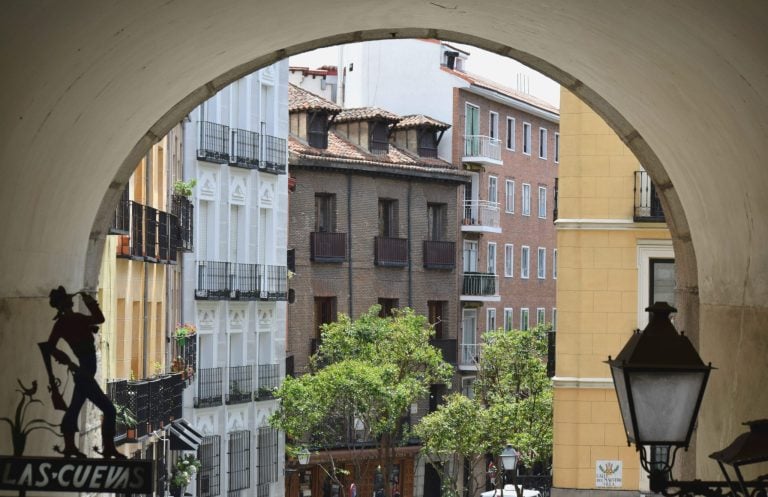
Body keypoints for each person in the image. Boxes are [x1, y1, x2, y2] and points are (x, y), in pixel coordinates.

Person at [39, 286, 125, 459]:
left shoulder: (69, 321)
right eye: (67, 299)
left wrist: (89, 301)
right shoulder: (68, 322)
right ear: (64, 304)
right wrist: (67, 361)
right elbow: (49, 347)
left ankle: (71, 446)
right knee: (108, 410)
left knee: (74, 408)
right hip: (84, 371)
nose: (71, 300)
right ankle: (107, 448)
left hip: (84, 371)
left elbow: (99, 319)